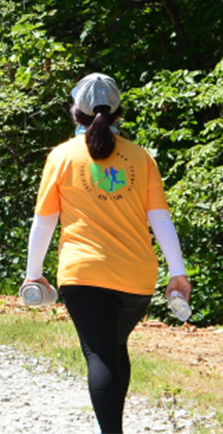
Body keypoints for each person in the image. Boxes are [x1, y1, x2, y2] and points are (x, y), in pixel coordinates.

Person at [25, 73, 191, 434]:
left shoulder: (61, 156)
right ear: (117, 113)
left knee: (101, 353)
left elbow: (44, 222)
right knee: (115, 345)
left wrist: (33, 274)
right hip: (137, 276)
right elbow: (160, 219)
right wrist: (177, 272)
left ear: (76, 112)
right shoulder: (140, 157)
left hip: (83, 274)